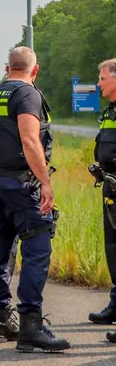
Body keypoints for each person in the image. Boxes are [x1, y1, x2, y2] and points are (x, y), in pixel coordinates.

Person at [0, 47, 69, 352]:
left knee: (0, 251)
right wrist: (45, 182)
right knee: (38, 247)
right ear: (35, 70)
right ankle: (31, 324)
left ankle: (1, 320)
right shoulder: (27, 94)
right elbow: (30, 139)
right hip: (23, 185)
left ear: (8, 68)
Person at [88, 59, 116, 341]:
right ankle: (115, 304)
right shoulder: (110, 110)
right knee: (113, 249)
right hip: (110, 188)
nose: (98, 83)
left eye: (102, 78)